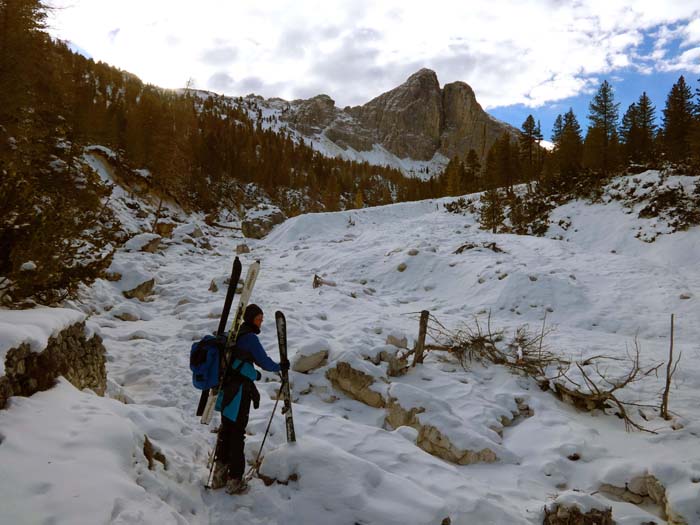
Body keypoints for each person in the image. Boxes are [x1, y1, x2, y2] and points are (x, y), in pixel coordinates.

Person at [212, 304, 289, 494]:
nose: (261, 321)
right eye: (258, 318)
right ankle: (235, 480)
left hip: (226, 390)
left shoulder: (235, 334)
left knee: (226, 432)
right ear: (250, 318)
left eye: (262, 318)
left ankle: (218, 477)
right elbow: (264, 362)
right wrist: (281, 366)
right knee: (237, 434)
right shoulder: (249, 338)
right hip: (239, 393)